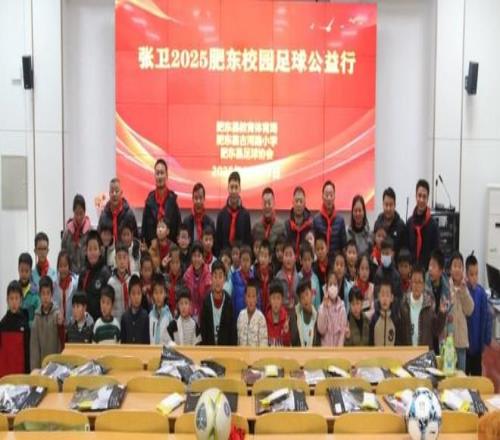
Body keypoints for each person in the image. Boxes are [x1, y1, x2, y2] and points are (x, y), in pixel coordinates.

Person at [400, 265, 446, 349]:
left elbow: (436, 331)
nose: (416, 285)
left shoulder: (429, 305)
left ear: (424, 285)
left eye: (419, 282)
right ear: (410, 283)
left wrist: (442, 314)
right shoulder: (403, 304)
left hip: (425, 354)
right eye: (414, 281)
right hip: (407, 352)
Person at [142, 158, 181, 247]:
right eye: (157, 173)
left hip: (170, 249)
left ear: (167, 176)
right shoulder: (149, 201)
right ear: (154, 176)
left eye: (162, 173)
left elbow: (178, 227)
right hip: (153, 249)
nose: (159, 176)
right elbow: (145, 229)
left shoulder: (172, 200)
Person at [465, 253, 492, 376]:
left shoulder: (481, 293)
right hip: (465, 347)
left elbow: (487, 317)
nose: (474, 277)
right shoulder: (464, 292)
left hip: (477, 346)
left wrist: (486, 340)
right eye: (471, 274)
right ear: (466, 274)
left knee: (477, 379)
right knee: (464, 378)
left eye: (476, 274)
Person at [448, 251, 475, 372]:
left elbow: (470, 310)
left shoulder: (465, 288)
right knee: (448, 372)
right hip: (448, 342)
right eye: (455, 266)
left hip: (462, 341)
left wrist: (463, 292)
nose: (457, 269)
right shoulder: (446, 287)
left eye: (460, 266)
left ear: (463, 269)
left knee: (461, 373)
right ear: (450, 269)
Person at [77, 230, 111, 321]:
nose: (92, 253)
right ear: (86, 251)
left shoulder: (106, 273)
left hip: (101, 321)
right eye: (90, 249)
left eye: (95, 249)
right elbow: (79, 299)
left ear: (100, 251)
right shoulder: (83, 273)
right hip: (85, 322)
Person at [200, 261, 237, 345]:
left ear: (224, 278)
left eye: (220, 276)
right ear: (211, 278)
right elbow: (203, 331)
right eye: (215, 276)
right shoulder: (206, 301)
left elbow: (232, 332)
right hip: (209, 349)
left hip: (225, 350)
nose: (217, 281)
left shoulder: (229, 301)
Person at [30, 276, 63, 369]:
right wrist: (35, 370)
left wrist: (61, 325)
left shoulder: (57, 315)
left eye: (48, 293)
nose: (45, 297)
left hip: (57, 366)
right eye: (43, 293)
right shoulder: (36, 318)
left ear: (52, 294)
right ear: (39, 295)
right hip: (42, 367)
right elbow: (34, 349)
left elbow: (61, 343)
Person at [215, 171, 252, 254]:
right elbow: (218, 242)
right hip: (224, 258)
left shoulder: (245, 215)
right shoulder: (221, 215)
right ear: (228, 188)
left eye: (236, 187)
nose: (234, 191)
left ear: (240, 189)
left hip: (241, 258)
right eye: (231, 187)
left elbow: (247, 242)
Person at [407, 179, 440, 268]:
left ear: (427, 198)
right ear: (415, 196)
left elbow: (436, 254)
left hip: (427, 273)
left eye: (424, 196)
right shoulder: (409, 223)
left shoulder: (433, 225)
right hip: (411, 272)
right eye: (419, 195)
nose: (421, 200)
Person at [0, 281, 30, 374]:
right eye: (11, 298)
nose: (14, 302)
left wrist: (27, 374)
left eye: (16, 298)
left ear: (21, 300)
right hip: (4, 376)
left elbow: (27, 352)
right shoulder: (2, 324)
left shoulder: (25, 324)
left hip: (20, 375)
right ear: (7, 300)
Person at [98, 177, 138, 242]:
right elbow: (99, 238)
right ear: (109, 194)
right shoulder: (103, 215)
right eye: (112, 192)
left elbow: (135, 238)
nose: (114, 194)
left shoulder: (129, 214)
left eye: (117, 191)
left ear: (121, 193)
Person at [425, 249, 450, 352]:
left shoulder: (447, 287)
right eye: (429, 265)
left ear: (441, 270)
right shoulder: (424, 285)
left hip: (441, 335)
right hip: (427, 334)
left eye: (434, 266)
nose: (430, 269)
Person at [369, 278, 407, 346]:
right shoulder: (374, 319)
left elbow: (399, 343)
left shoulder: (396, 319)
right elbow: (370, 342)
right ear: (378, 297)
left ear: (392, 298)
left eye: (387, 295)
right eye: (382, 295)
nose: (385, 299)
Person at [313, 180, 346, 257]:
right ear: (322, 196)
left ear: (334, 197)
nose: (329, 198)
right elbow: (314, 246)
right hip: (321, 260)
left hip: (336, 261)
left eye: (331, 195)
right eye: (326, 195)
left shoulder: (340, 220)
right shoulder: (316, 220)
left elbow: (343, 246)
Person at [61, 194, 92, 274]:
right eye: (76, 213)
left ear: (85, 212)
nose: (79, 217)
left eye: (81, 213)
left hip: (87, 273)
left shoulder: (90, 232)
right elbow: (63, 254)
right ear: (73, 212)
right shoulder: (67, 232)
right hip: (70, 274)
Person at [317, 268, 348, 347]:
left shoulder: (342, 307)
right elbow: (321, 330)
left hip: (338, 350)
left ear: (338, 287)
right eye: (330, 284)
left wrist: (338, 351)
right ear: (326, 287)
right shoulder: (321, 307)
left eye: (335, 284)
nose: (333, 287)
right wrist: (324, 308)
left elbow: (342, 333)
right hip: (325, 350)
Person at [183, 241, 212, 323]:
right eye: (194, 256)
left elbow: (208, 300)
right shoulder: (186, 276)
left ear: (203, 257)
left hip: (205, 315)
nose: (196, 259)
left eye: (199, 256)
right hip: (189, 315)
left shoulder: (208, 275)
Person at [373, 187, 407, 255]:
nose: (388, 208)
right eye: (386, 205)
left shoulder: (401, 226)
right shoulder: (377, 223)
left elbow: (404, 250)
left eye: (391, 205)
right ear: (383, 204)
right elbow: (374, 245)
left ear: (395, 205)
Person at [237, 279, 268, 347]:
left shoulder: (261, 318)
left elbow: (263, 344)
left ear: (257, 298)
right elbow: (238, 341)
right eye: (248, 296)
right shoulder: (241, 315)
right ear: (245, 297)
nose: (251, 300)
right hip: (242, 352)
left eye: (253, 296)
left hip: (256, 353)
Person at [289, 278, 319, 347]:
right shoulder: (294, 316)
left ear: (311, 293)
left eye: (307, 294)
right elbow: (293, 340)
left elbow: (318, 342)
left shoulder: (317, 316)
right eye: (302, 297)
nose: (305, 299)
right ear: (299, 301)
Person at [120, 275, 150, 344]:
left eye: (139, 293)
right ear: (129, 295)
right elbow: (123, 342)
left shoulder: (145, 316)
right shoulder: (124, 317)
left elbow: (147, 341)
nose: (136, 297)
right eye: (133, 294)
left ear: (142, 295)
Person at [285, 186, 313, 256]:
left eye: (301, 201)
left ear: (305, 203)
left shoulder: (311, 224)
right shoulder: (287, 225)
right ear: (293, 203)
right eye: (296, 201)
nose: (298, 204)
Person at [53, 250, 78, 326]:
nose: (63, 269)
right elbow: (54, 303)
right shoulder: (54, 284)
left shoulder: (75, 284)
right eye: (60, 266)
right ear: (58, 267)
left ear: (69, 266)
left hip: (72, 324)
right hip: (58, 323)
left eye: (65, 265)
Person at [107, 244, 131, 323]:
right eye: (119, 258)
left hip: (130, 322)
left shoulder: (131, 281)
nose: (122, 261)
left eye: (124, 257)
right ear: (115, 259)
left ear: (128, 259)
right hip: (115, 322)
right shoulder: (110, 283)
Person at [374, 237, 403, 303]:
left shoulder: (396, 276)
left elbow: (399, 297)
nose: (385, 256)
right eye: (383, 253)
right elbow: (376, 296)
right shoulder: (378, 274)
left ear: (393, 254)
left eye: (387, 253)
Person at [231, 245, 255, 319]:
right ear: (240, 261)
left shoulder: (254, 278)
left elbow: (258, 300)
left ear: (251, 262)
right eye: (243, 260)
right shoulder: (234, 277)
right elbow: (233, 299)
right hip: (238, 316)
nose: (245, 263)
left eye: (247, 260)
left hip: (252, 316)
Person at [149, 273, 173, 345]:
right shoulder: (150, 315)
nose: (158, 296)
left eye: (161, 292)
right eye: (156, 292)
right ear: (152, 294)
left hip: (165, 351)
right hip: (152, 350)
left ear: (165, 294)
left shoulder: (169, 316)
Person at [266, 279, 291, 346]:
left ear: (282, 299)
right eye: (273, 298)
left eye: (278, 298)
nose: (276, 302)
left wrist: (286, 333)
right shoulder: (265, 320)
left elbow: (288, 346)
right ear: (269, 299)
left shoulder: (287, 319)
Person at [276, 242, 299, 314]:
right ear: (282, 257)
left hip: (296, 313)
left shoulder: (299, 277)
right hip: (282, 313)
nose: (288, 259)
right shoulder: (278, 277)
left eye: (291, 255)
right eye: (286, 255)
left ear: (295, 257)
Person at [298, 241, 321, 311]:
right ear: (301, 260)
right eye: (305, 260)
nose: (307, 263)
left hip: (313, 313)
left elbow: (317, 301)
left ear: (312, 259)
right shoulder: (297, 277)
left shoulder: (315, 279)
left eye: (309, 259)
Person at [18, 253, 40, 328]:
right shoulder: (14, 290)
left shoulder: (35, 293)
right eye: (21, 270)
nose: (24, 274)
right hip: (16, 331)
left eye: (26, 271)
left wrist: (26, 325)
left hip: (31, 332)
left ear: (30, 271)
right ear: (18, 269)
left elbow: (38, 318)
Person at [165, 245, 185, 316]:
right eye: (172, 263)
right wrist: (162, 266)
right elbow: (156, 279)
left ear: (180, 263)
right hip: (166, 313)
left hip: (180, 313)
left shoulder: (184, 279)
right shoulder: (165, 277)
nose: (175, 266)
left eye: (177, 263)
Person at [254, 240, 273, 312]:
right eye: (261, 255)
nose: (263, 259)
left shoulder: (272, 276)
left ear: (270, 259)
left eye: (265, 256)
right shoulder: (253, 274)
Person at [355, 254, 375, 320]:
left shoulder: (372, 288)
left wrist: (364, 316)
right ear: (358, 270)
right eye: (362, 268)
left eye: (367, 269)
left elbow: (373, 310)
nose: (364, 272)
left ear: (370, 271)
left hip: (369, 322)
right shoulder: (353, 287)